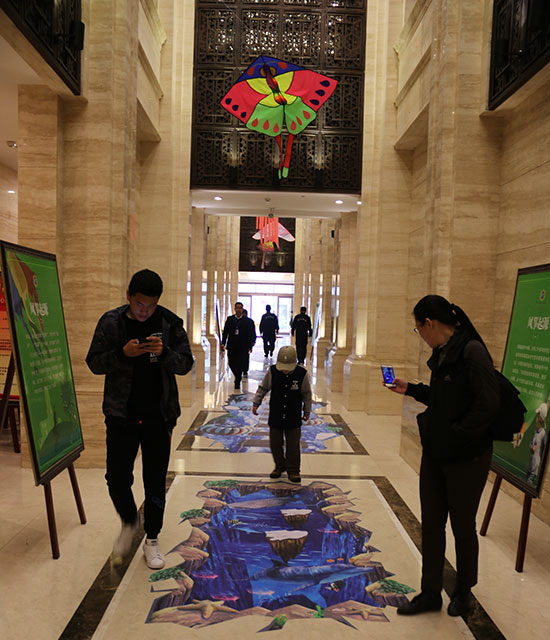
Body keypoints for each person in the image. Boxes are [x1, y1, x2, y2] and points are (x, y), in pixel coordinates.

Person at [387, 295, 499, 618]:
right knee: (432, 525)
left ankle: (464, 591)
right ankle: (430, 592)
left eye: (418, 329)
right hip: (438, 453)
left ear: (430, 323)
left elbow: (488, 405)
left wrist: (456, 434)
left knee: (462, 526)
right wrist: (411, 388)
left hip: (467, 457)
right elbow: (442, 398)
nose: (420, 335)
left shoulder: (471, 351)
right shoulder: (443, 352)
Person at [86, 269, 194, 569]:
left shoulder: (170, 323)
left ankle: (152, 539)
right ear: (128, 297)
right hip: (121, 415)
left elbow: (186, 364)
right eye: (138, 304)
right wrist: (122, 353)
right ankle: (129, 520)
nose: (144, 311)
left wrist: (165, 353)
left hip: (160, 417)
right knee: (116, 477)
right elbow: (94, 362)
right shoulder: (111, 322)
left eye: (150, 305)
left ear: (158, 301)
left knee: (155, 480)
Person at [252, 345, 312, 483]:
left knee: (293, 445)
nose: (285, 370)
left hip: (293, 415)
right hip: (276, 414)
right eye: (283, 367)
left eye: (288, 368)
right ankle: (280, 465)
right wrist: (256, 402)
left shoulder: (301, 374)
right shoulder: (273, 372)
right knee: (275, 443)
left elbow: (306, 394)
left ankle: (294, 470)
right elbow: (263, 388)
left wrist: (307, 410)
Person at [221, 301, 256, 389]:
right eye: (237, 308)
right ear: (234, 309)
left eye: (240, 308)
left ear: (242, 309)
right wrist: (223, 343)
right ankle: (237, 375)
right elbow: (225, 332)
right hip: (232, 345)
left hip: (243, 346)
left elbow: (252, 334)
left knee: (240, 363)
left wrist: (251, 345)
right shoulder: (230, 319)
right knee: (231, 363)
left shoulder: (248, 321)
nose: (238, 310)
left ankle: (237, 380)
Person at [526, 403, 547, 485]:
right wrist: (531, 447)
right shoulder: (535, 431)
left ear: (541, 418)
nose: (536, 418)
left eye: (538, 415)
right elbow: (531, 443)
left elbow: (545, 451)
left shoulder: (543, 434)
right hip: (530, 466)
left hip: (534, 469)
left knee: (529, 483)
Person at [241, 309, 256, 379]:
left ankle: (244, 369)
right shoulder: (240, 321)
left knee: (245, 356)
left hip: (246, 342)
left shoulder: (249, 321)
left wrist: (253, 341)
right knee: (244, 356)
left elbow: (253, 332)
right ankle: (244, 369)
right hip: (244, 342)